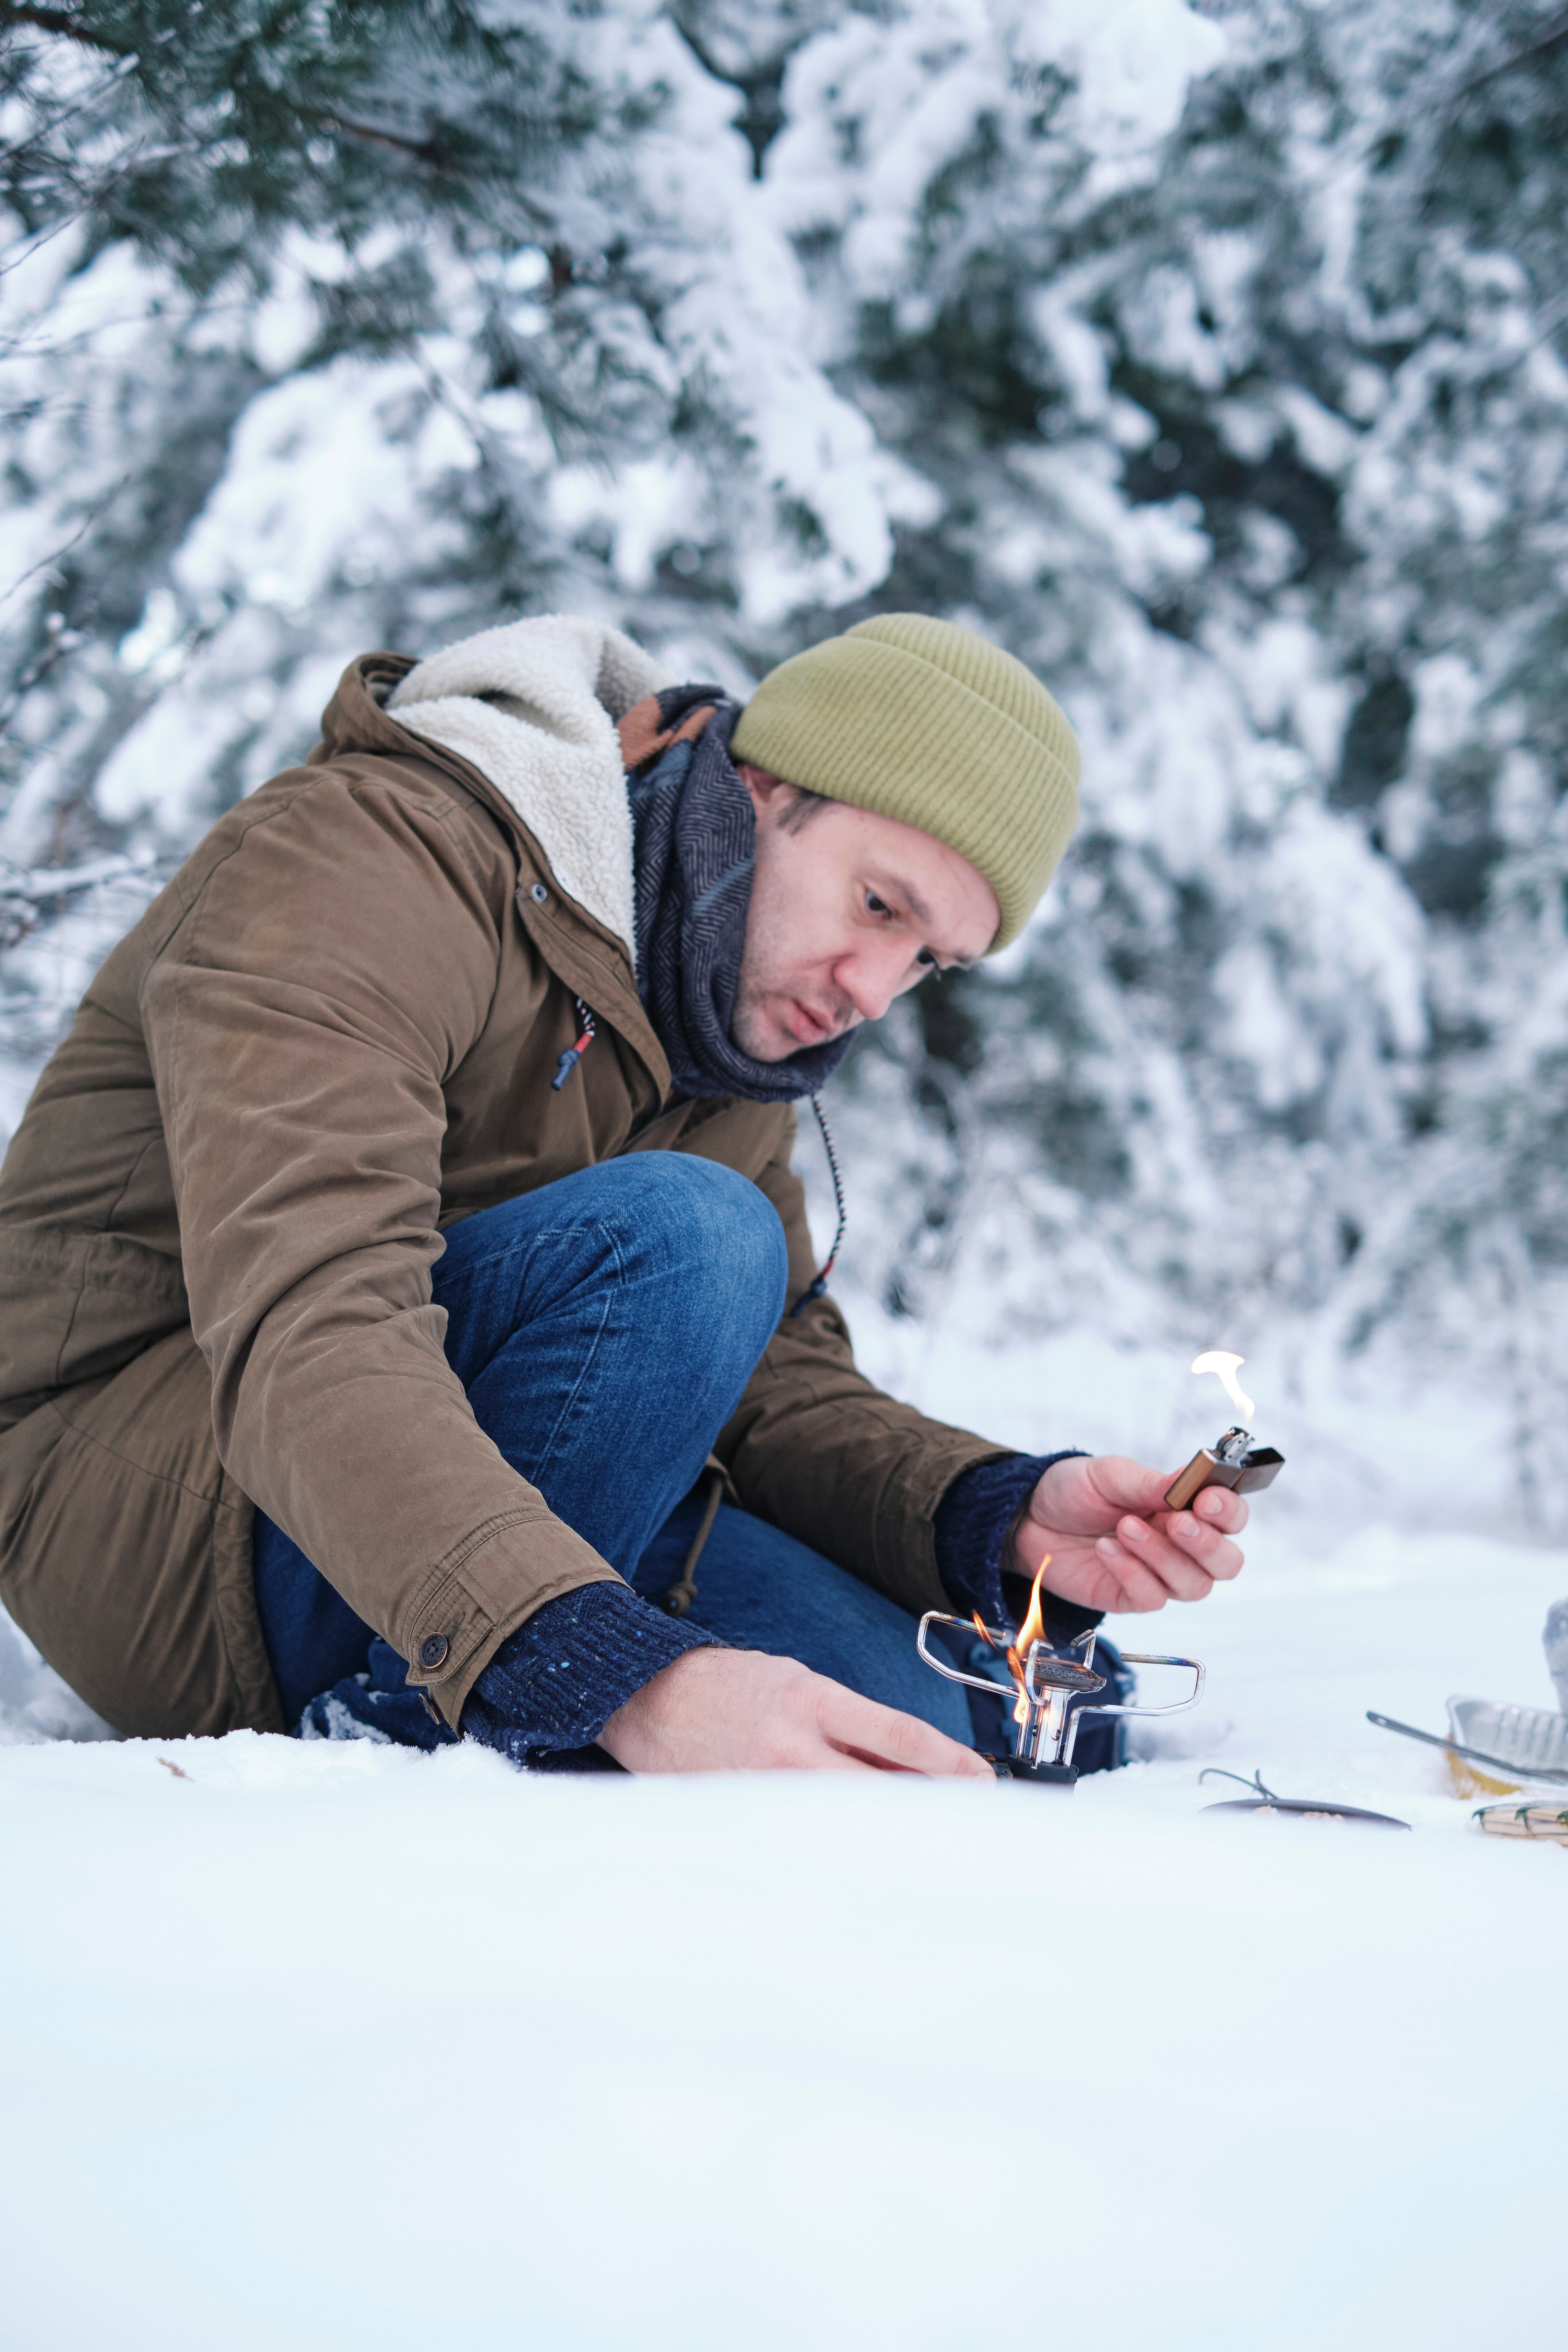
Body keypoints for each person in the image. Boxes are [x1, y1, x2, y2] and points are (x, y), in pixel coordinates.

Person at [0, 612, 1248, 1776]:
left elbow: (769, 1381)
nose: (872, 991)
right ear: (763, 794)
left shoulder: (722, 1019)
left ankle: (523, 1673)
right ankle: (407, 1748)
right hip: (162, 1494)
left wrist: (987, 1515)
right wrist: (595, 1670)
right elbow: (310, 1317)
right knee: (693, 1238)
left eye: (927, 960)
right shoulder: (378, 857)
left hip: (462, 1475)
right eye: (878, 906)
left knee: (983, 1713)